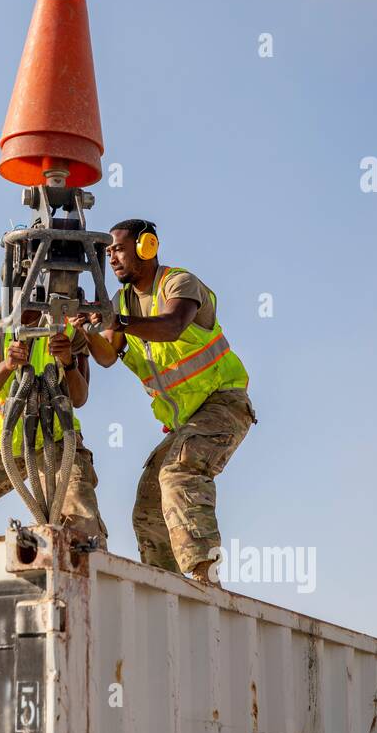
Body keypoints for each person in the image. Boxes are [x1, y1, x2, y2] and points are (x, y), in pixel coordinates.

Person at [72, 219, 255, 587]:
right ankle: (167, 589)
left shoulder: (178, 284)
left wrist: (117, 321)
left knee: (179, 471)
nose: (113, 259)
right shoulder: (122, 301)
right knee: (149, 503)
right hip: (188, 422)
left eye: (119, 250)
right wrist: (85, 332)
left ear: (147, 247)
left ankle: (205, 576)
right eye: (108, 253)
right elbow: (108, 355)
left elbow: (172, 325)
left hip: (224, 404)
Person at [0, 304, 108, 543]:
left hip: (54, 440)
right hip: (3, 442)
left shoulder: (69, 325)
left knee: (83, 529)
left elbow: (79, 397)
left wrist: (68, 361)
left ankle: (85, 576)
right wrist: (7, 365)